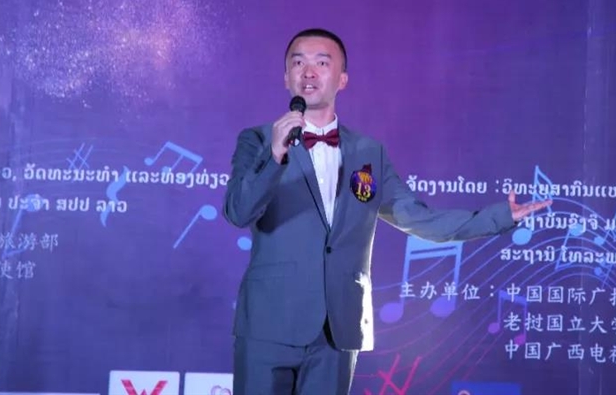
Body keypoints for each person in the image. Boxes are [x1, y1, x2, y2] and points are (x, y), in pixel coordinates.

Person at [223, 28, 551, 395]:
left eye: (322, 63)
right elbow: (238, 211)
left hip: (337, 329)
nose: (309, 72)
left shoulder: (369, 152)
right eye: (298, 63)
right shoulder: (257, 139)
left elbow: (418, 218)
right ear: (286, 77)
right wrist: (275, 155)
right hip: (268, 325)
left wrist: (500, 217)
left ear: (342, 79)